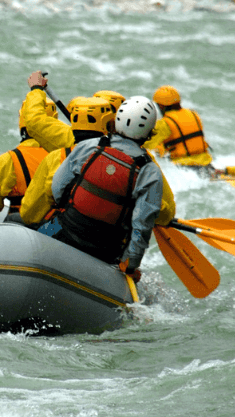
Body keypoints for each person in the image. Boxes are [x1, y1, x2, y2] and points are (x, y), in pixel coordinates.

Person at [33, 96, 168, 281]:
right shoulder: (149, 171)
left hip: (64, 230)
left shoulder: (88, 146)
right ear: (149, 132)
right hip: (106, 251)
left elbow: (57, 189)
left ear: (116, 121)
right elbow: (141, 227)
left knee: (31, 233)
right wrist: (130, 265)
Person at [17, 96, 115, 226]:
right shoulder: (122, 157)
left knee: (15, 220)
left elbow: (29, 214)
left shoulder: (57, 157)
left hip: (68, 230)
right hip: (110, 235)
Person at [147, 85, 213, 174]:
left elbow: (147, 145)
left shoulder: (165, 123)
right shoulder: (193, 114)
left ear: (161, 106)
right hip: (207, 165)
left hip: (185, 169)